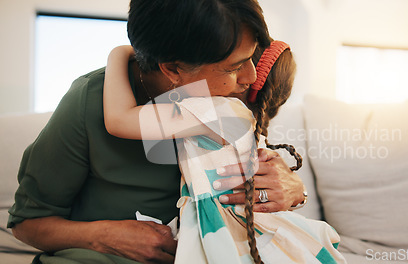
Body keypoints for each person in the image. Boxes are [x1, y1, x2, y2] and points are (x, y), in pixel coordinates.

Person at [7, 1, 306, 263]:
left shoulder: (234, 100)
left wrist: (294, 191)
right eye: (234, 68)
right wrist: (105, 235)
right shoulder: (90, 100)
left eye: (251, 59)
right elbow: (26, 223)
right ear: (173, 69)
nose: (250, 78)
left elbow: (266, 181)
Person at [102, 36, 346, 264]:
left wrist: (119, 53)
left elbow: (119, 120)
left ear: (242, 77)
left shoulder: (219, 111)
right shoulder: (244, 121)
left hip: (227, 230)